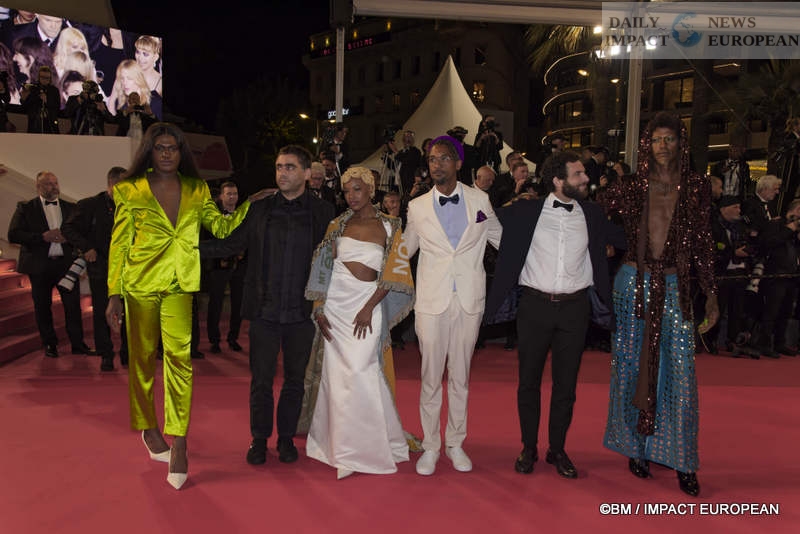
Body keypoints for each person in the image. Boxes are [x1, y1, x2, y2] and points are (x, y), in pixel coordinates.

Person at [105, 123, 253, 490]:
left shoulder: (197, 188)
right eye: (160, 148)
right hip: (139, 284)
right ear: (150, 152)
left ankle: (180, 440)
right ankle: (148, 427)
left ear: (181, 152)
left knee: (180, 360)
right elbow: (119, 244)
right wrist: (114, 294)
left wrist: (251, 204)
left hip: (179, 285)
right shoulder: (128, 189)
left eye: (173, 148)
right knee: (141, 360)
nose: (167, 153)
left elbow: (220, 228)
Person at [485, 151, 625, 479]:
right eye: (578, 175)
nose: (586, 179)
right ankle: (529, 447)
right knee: (528, 383)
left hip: (575, 309)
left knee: (566, 386)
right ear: (559, 181)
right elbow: (480, 222)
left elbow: (625, 239)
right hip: (534, 307)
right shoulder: (524, 211)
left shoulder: (592, 214)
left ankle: (557, 449)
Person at [601, 112, 719, 497]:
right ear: (645, 146)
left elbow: (702, 245)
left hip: (675, 286)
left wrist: (712, 294)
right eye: (656, 140)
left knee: (681, 373)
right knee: (631, 366)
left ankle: (683, 459)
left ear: (681, 144)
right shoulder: (630, 187)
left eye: (669, 139)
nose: (662, 146)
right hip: (632, 284)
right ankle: (636, 449)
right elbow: (595, 218)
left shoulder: (698, 187)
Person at [199, 145, 335, 467]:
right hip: (264, 310)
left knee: (293, 381)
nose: (282, 173)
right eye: (278, 167)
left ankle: (286, 439)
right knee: (260, 381)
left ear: (306, 173)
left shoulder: (323, 212)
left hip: (301, 312)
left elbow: (335, 259)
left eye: (289, 167)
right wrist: (184, 249)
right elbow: (231, 243)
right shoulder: (259, 210)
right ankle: (259, 438)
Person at [302, 166, 414, 479]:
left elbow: (395, 274)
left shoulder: (391, 226)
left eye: (358, 190)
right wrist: (320, 307)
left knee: (362, 369)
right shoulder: (337, 224)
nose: (351, 196)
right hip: (336, 304)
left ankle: (368, 446)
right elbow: (322, 268)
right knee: (337, 375)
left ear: (371, 191)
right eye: (347, 190)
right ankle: (339, 446)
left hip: (368, 304)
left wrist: (368, 308)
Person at [403, 135, 502, 476]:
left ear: (459, 164)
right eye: (432, 159)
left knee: (460, 377)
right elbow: (404, 253)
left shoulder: (480, 199)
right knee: (430, 378)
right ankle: (430, 446)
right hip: (431, 302)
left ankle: (455, 443)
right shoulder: (416, 207)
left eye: (444, 158)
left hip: (469, 301)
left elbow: (502, 240)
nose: (437, 164)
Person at [8, 171, 93, 358]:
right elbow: (13, 234)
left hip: (66, 265)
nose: (53, 187)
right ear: (38, 187)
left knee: (72, 306)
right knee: (42, 306)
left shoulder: (71, 207)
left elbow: (82, 232)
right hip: (39, 266)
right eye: (48, 184)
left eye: (55, 183)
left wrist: (68, 237)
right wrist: (42, 237)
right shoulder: (26, 207)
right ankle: (49, 344)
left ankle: (78, 344)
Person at [62, 167, 129, 371]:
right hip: (100, 266)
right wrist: (86, 247)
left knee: (129, 312)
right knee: (101, 311)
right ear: (113, 184)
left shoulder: (133, 206)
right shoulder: (90, 205)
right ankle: (106, 354)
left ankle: (128, 353)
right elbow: (68, 228)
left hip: (128, 268)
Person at [205, 181, 246, 354]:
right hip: (218, 265)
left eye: (235, 194)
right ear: (221, 196)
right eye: (228, 194)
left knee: (238, 304)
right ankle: (214, 340)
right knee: (215, 303)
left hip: (239, 265)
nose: (232, 197)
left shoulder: (243, 214)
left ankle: (233, 338)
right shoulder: (212, 215)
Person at [20, 64, 59, 133]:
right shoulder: (33, 88)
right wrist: (23, 99)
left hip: (50, 124)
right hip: (35, 123)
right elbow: (25, 106)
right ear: (39, 77)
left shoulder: (54, 90)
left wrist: (47, 101)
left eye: (47, 78)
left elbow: (57, 107)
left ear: (50, 78)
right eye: (42, 77)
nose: (44, 80)